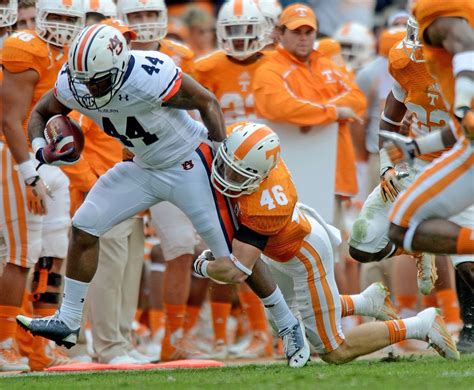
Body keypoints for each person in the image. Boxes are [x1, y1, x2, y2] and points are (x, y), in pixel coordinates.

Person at [16, 24, 310, 368]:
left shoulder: (148, 74)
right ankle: (67, 321)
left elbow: (207, 102)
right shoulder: (78, 80)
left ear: (120, 67)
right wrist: (41, 149)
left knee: (232, 257)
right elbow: (40, 112)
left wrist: (216, 155)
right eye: (84, 80)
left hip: (189, 162)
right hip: (142, 166)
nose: (89, 90)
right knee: (84, 226)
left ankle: (289, 324)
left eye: (98, 81)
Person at [194, 122, 460, 363]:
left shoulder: (265, 205)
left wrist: (200, 266)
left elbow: (236, 270)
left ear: (260, 176)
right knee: (285, 322)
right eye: (228, 164)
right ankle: (366, 302)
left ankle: (420, 325)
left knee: (334, 350)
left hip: (303, 255)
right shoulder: (244, 139)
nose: (227, 176)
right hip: (281, 250)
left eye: (239, 175)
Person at [1, 0, 84, 371]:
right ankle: (4, 343)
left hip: (48, 163)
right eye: (58, 18)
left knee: (53, 250)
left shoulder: (71, 53)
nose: (64, 27)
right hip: (16, 157)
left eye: (71, 20)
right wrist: (29, 174)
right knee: (21, 253)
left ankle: (39, 346)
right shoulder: (25, 48)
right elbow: (9, 120)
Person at [118, 0, 202, 362]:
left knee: (181, 247)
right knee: (120, 255)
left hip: (172, 161)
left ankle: (172, 336)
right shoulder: (110, 53)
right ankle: (110, 334)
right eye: (137, 16)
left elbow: (199, 104)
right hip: (123, 164)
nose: (146, 23)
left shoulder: (182, 55)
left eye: (150, 14)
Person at [194, 0, 274, 359]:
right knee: (230, 252)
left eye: (247, 30)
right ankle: (248, 333)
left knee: (272, 254)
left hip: (269, 172)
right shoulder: (206, 66)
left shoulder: (277, 65)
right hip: (223, 171)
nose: (241, 39)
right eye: (234, 31)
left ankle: (272, 330)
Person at [380, 0, 474, 283]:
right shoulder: (406, 63)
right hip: (439, 153)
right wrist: (413, 149)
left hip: (462, 154)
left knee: (401, 227)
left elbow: (464, 43)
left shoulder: (441, 13)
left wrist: (463, 103)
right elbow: (458, 129)